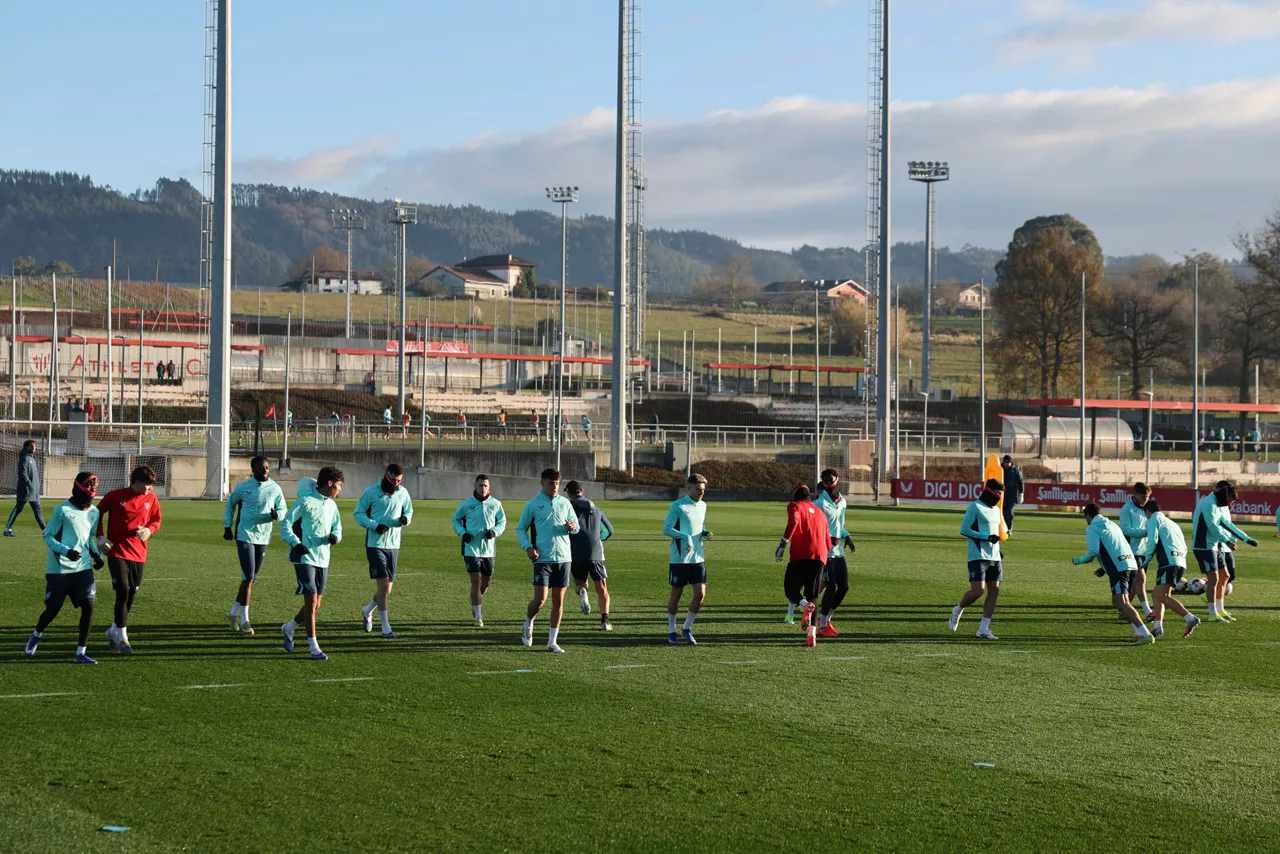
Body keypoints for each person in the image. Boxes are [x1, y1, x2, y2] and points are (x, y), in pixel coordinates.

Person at [24, 472, 106, 663]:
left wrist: (96, 555)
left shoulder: (94, 512)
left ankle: (80, 652)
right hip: (60, 570)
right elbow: (48, 536)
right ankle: (37, 634)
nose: (89, 499)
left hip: (83, 568)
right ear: (77, 490)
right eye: (86, 492)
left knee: (89, 606)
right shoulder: (62, 510)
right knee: (53, 609)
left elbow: (88, 539)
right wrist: (66, 551)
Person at [95, 464, 162, 654]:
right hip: (117, 551)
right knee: (123, 591)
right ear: (136, 482)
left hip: (139, 552)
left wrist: (149, 530)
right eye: (147, 484)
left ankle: (113, 631)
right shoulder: (115, 496)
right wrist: (100, 536)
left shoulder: (151, 498)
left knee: (132, 592)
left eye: (151, 485)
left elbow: (156, 520)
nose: (149, 488)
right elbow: (96, 513)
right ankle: (123, 638)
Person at [280, 468, 344, 660]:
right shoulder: (305, 501)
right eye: (339, 485)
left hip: (323, 558)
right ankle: (314, 647)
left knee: (316, 605)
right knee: (311, 601)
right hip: (304, 558)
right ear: (330, 483)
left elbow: (338, 527)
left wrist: (335, 536)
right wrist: (296, 543)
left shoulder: (332, 505)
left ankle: (289, 627)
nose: (340, 489)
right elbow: (285, 524)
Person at [515, 468, 579, 653]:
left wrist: (573, 526)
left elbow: (576, 526)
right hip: (542, 558)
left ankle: (552, 642)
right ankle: (528, 622)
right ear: (542, 482)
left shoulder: (565, 503)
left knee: (558, 601)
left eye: (557, 484)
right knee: (540, 600)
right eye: (551, 483)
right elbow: (521, 528)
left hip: (564, 558)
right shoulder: (533, 504)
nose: (555, 487)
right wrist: (528, 547)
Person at [1072, 503, 1156, 644]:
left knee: (1122, 602)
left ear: (1088, 515)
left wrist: (1078, 560)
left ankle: (1145, 634)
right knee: (1118, 602)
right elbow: (1115, 547)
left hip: (1119, 568)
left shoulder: (1093, 527)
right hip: (1131, 564)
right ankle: (1138, 633)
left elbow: (1093, 551)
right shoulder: (1112, 524)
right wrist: (1104, 569)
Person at [222, 455, 286, 636]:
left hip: (263, 536)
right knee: (249, 576)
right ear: (253, 470)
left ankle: (233, 612)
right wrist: (227, 526)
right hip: (245, 534)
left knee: (250, 578)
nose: (265, 470)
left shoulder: (275, 488)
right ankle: (245, 620)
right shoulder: (243, 487)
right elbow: (230, 504)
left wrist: (277, 515)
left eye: (266, 467)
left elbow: (283, 508)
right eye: (261, 467)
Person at [354, 464, 413, 639]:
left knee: (387, 589)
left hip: (394, 545)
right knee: (384, 585)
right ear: (387, 475)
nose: (396, 483)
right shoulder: (371, 492)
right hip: (375, 544)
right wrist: (374, 525)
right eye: (394, 480)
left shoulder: (403, 492)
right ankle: (386, 628)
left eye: (399, 481)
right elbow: (358, 513)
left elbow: (409, 511)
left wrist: (406, 519)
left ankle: (367, 610)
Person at [1192, 480, 1256, 622]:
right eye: (1230, 501)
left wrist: (1246, 538)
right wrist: (1227, 541)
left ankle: (1220, 610)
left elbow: (1227, 524)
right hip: (1203, 546)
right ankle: (1212, 614)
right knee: (1214, 578)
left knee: (1225, 576)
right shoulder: (1208, 503)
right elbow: (1213, 527)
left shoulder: (1217, 503)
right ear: (1225, 497)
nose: (1230, 505)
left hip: (1214, 545)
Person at [775, 484, 830, 647]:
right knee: (813, 596)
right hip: (820, 556)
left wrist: (783, 544)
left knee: (790, 590)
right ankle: (811, 636)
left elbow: (794, 521)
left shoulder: (795, 506)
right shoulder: (820, 513)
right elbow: (828, 541)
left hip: (800, 555)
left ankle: (804, 605)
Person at [948, 479, 1004, 640]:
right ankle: (958, 609)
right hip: (978, 555)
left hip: (994, 556)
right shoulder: (975, 507)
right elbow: (964, 529)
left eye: (1001, 493)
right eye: (998, 493)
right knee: (978, 591)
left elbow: (995, 532)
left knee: (994, 590)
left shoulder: (996, 510)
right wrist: (986, 537)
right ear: (990, 491)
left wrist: (998, 550)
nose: (1000, 496)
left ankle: (983, 629)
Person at [1137, 499, 1201, 638]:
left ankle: (1190, 618)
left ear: (1147, 512)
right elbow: (1183, 545)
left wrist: (1146, 559)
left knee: (1161, 595)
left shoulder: (1153, 520)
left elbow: (1152, 540)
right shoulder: (1172, 523)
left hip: (1169, 562)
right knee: (1157, 594)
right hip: (1179, 561)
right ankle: (1157, 627)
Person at [663, 473, 713, 645]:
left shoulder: (703, 505)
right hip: (680, 558)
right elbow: (667, 529)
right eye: (698, 489)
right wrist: (686, 538)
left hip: (698, 558)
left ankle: (686, 628)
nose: (701, 493)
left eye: (703, 490)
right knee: (676, 595)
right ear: (688, 488)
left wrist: (705, 532)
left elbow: (699, 524)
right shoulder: (678, 506)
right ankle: (671, 630)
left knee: (700, 594)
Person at [451, 473, 507, 627]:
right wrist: (463, 534)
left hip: (489, 550)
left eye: (485, 486)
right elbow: (455, 519)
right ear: (475, 486)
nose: (483, 488)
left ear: (489, 487)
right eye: (480, 485)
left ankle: (475, 600)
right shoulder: (466, 504)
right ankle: (478, 617)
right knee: (476, 580)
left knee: (485, 583)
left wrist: (494, 532)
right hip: (471, 548)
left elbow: (502, 521)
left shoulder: (495, 504)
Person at [565, 480, 614, 632]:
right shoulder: (596, 508)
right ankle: (605, 621)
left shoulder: (567, 507)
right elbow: (609, 530)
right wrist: (599, 538)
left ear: (568, 493)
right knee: (602, 588)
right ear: (581, 491)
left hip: (575, 552)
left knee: (580, 582)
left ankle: (582, 591)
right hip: (595, 553)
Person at [814, 468, 855, 636]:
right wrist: (828, 538)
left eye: (830, 479)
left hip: (839, 553)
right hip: (825, 552)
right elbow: (814, 528)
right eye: (824, 480)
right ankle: (822, 624)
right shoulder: (819, 504)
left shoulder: (843, 502)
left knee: (844, 587)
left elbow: (839, 525)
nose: (827, 482)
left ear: (837, 479)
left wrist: (847, 536)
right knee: (831, 586)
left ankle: (827, 618)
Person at [1118, 483, 1156, 620]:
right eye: (1143, 497)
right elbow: (1125, 530)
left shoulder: (1147, 508)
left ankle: (1124, 610)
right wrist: (1145, 532)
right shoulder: (1127, 509)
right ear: (1135, 495)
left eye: (1148, 497)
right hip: (1132, 550)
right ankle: (1148, 612)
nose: (1146, 499)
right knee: (1141, 580)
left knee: (1135, 585)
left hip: (1145, 550)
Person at [5, 439, 46, 536]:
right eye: (32, 446)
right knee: (18, 508)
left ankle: (45, 530)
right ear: (26, 447)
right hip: (26, 490)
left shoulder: (31, 458)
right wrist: (30, 486)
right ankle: (7, 530)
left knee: (38, 510)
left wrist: (35, 488)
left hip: (34, 491)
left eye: (34, 446)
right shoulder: (24, 458)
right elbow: (22, 474)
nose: (34, 448)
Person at [1000, 455, 1024, 535]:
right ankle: (1001, 529)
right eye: (1005, 462)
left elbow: (1021, 482)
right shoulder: (999, 469)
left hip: (1011, 496)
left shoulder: (1015, 471)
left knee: (1009, 513)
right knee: (1001, 513)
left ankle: (1009, 528)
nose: (1006, 464)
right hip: (1001, 495)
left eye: (1008, 463)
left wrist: (1021, 493)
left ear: (1011, 462)